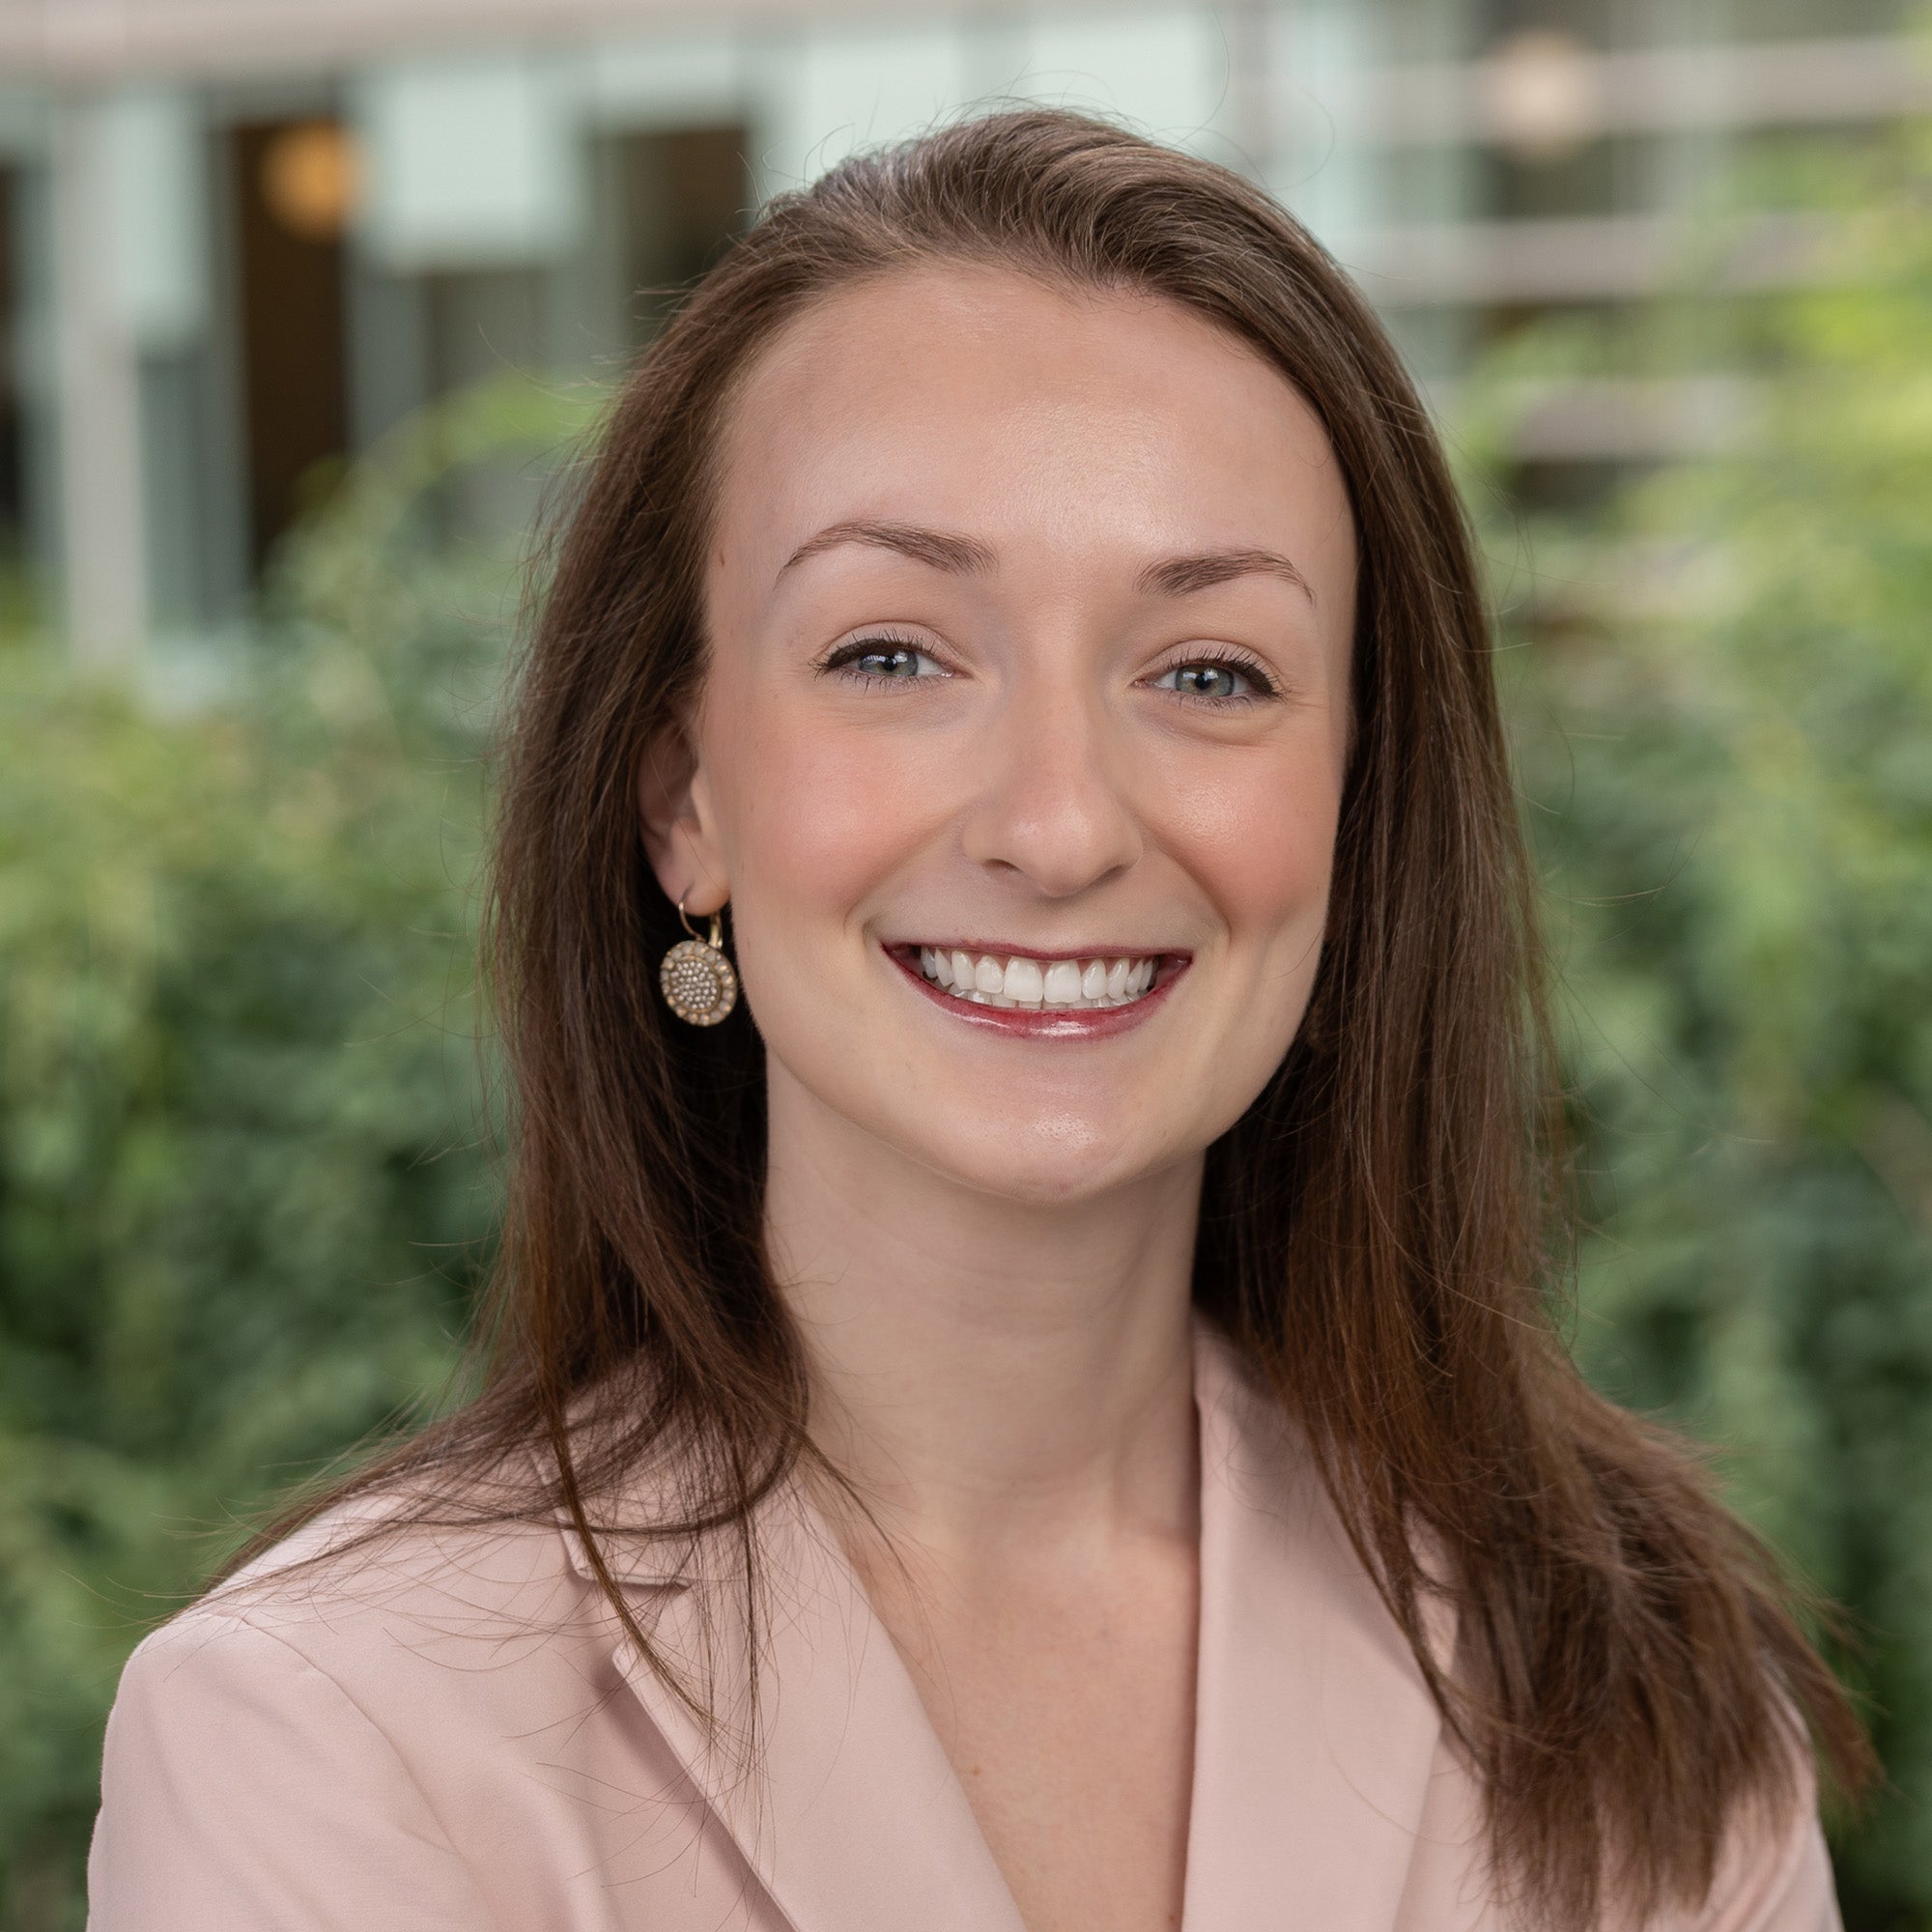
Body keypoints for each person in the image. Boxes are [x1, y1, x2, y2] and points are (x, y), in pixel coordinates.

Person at [86, 109, 1868, 1931]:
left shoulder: (1633, 1695)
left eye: (1208, 672)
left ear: (1356, 801)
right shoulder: (331, 1746)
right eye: (893, 654)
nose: (1059, 824)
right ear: (682, 798)